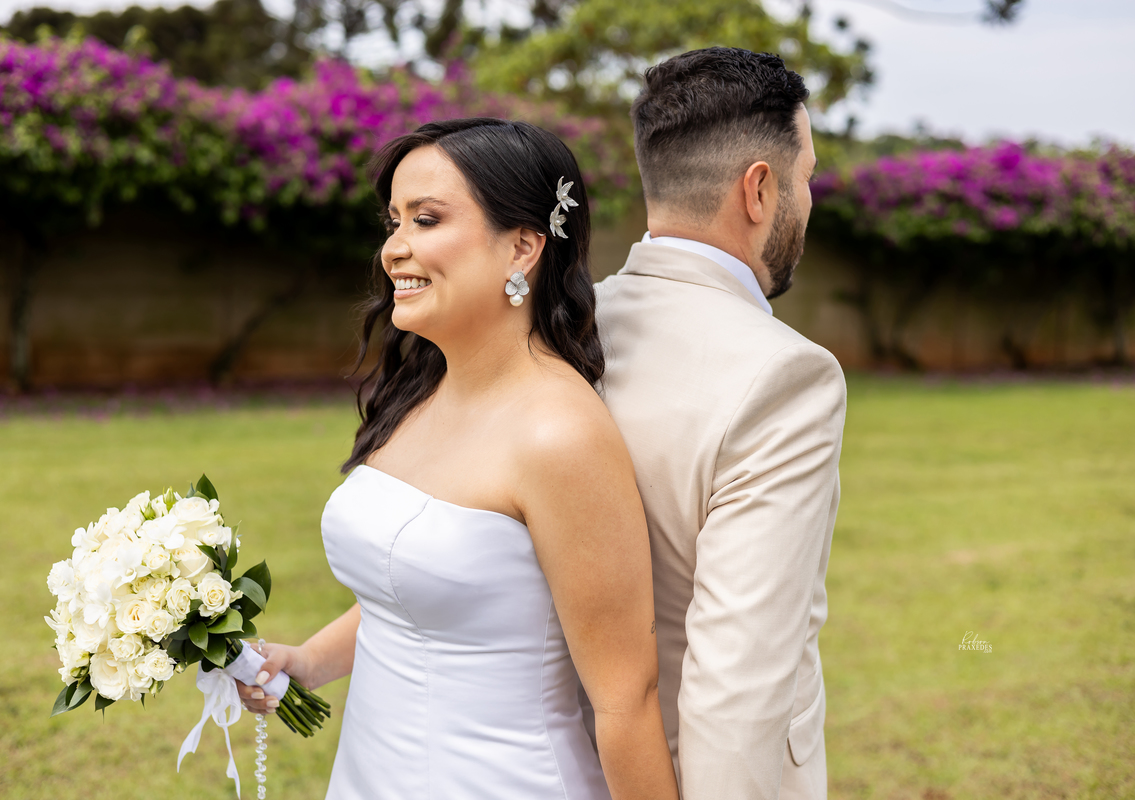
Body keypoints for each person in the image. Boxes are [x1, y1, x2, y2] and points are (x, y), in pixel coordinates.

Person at [236, 118, 680, 800]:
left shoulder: (560, 436)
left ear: (524, 247)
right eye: (393, 223)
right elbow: (422, 590)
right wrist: (304, 663)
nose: (394, 250)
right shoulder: (419, 392)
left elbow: (627, 698)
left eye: (427, 219)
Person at [593, 48, 847, 800]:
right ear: (759, 190)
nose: (811, 197)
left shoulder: (569, 326)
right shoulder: (785, 376)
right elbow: (735, 683)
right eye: (807, 175)